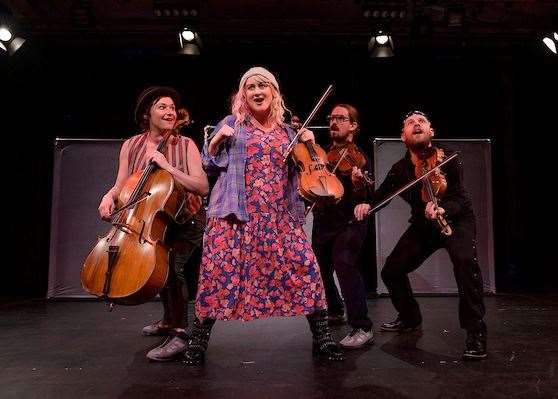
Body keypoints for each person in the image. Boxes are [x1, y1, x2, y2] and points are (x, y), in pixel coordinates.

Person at [183, 66, 344, 365]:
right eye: (250, 87)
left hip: (280, 215)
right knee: (218, 276)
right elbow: (207, 165)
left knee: (305, 269)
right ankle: (198, 341)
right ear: (243, 94)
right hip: (234, 215)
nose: (257, 92)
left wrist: (308, 142)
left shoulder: (289, 133)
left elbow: (310, 170)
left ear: (274, 92)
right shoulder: (232, 124)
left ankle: (322, 338)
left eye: (263, 86)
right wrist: (217, 141)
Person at [354, 110, 487, 360]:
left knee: (466, 263)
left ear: (431, 132)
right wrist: (366, 204)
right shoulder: (401, 169)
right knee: (391, 270)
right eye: (410, 123)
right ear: (403, 136)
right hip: (424, 226)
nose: (416, 125)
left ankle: (476, 332)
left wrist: (442, 206)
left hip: (456, 220)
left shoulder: (448, 157)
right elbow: (381, 196)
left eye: (422, 122)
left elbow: (458, 196)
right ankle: (409, 317)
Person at [97, 86, 209, 361]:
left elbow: (202, 186)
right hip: (150, 219)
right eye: (163, 107)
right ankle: (169, 320)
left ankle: (181, 333)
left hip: (187, 219)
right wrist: (109, 196)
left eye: (172, 108)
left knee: (173, 268)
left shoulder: (185, 145)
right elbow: (121, 183)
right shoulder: (131, 145)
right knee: (158, 269)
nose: (170, 112)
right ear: (147, 113)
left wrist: (168, 167)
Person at [311, 104, 374, 349]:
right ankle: (335, 309)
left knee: (344, 264)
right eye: (331, 118)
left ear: (353, 126)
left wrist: (359, 185)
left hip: (349, 222)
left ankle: (362, 326)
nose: (333, 122)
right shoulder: (322, 154)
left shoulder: (360, 158)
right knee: (320, 268)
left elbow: (366, 193)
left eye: (341, 118)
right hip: (325, 220)